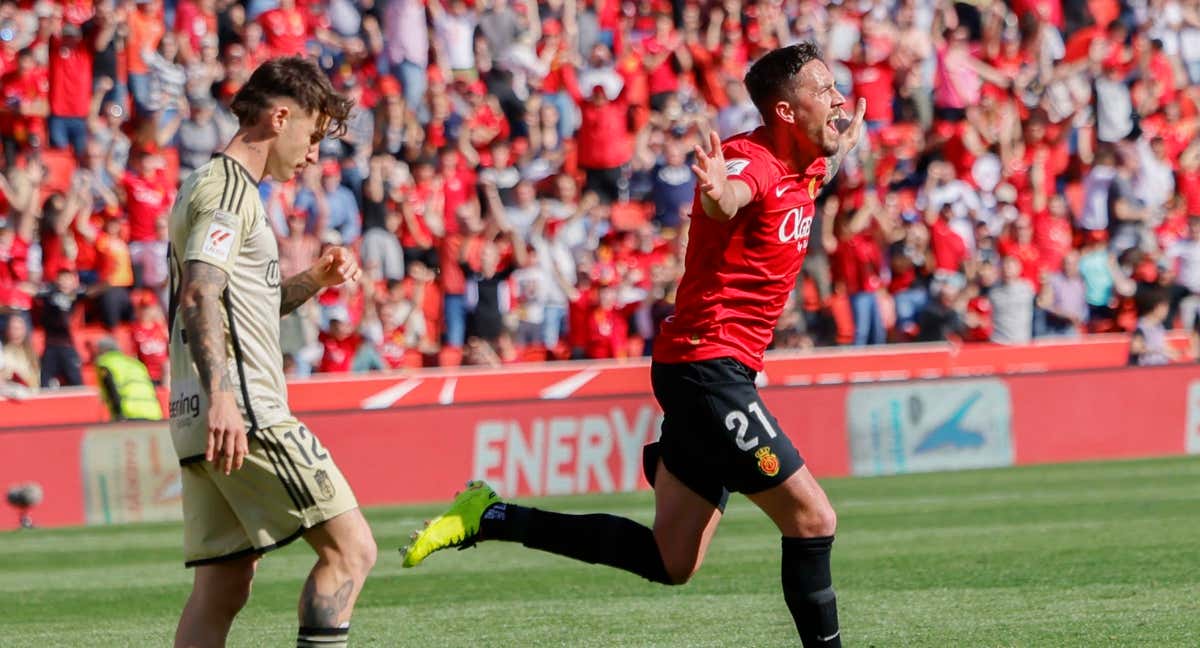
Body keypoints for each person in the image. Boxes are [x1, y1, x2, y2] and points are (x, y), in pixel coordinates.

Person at [401, 43, 862, 647]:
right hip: (707, 367)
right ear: (783, 111)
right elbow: (734, 196)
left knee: (671, 560)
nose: (836, 98)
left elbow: (816, 169)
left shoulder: (804, 161)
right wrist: (717, 193)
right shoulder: (754, 162)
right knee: (812, 520)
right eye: (823, 89)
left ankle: (489, 516)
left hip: (706, 369)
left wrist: (840, 146)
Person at [167, 57, 376, 648]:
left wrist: (313, 280)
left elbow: (238, 302)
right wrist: (227, 401)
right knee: (352, 552)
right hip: (244, 411)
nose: (312, 154)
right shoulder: (230, 191)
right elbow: (201, 290)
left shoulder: (210, 187)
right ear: (279, 117)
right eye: (311, 136)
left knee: (223, 587)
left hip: (197, 412)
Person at [95, 336, 162, 421]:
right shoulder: (136, 363)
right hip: (153, 412)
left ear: (102, 350)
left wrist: (118, 414)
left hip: (129, 413)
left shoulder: (105, 363)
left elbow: (111, 389)